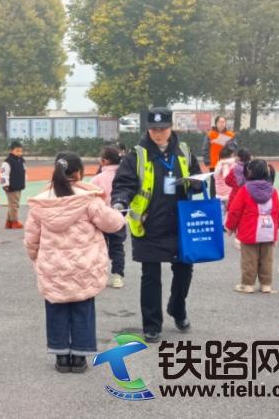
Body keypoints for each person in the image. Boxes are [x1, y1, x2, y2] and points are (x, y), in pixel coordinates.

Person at [24, 152, 125, 373]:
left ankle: (61, 355)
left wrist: (36, 258)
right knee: (82, 307)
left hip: (53, 266)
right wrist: (117, 211)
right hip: (83, 266)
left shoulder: (42, 201)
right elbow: (113, 224)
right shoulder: (88, 200)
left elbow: (32, 238)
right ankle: (79, 356)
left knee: (56, 307)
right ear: (79, 172)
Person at [112, 107, 202, 343]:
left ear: (171, 128)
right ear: (148, 129)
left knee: (184, 271)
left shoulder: (184, 151)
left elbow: (197, 175)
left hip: (179, 224)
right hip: (149, 224)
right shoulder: (137, 155)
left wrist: (197, 183)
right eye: (154, 129)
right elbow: (123, 183)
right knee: (150, 276)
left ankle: (177, 307)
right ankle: (152, 325)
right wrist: (120, 200)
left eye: (163, 129)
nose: (158, 133)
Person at [225, 159, 279, 294]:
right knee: (267, 259)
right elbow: (277, 211)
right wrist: (276, 229)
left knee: (249, 259)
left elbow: (235, 210)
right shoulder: (273, 191)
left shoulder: (245, 189)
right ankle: (266, 284)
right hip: (268, 229)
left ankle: (248, 284)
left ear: (249, 172)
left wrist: (230, 227)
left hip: (249, 230)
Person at [91, 145, 127, 289]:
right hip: (119, 218)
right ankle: (118, 276)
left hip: (101, 219)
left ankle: (101, 276)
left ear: (104, 161)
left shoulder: (97, 179)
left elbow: (90, 199)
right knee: (117, 248)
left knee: (101, 248)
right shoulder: (124, 176)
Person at [203, 116, 236, 197]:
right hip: (214, 163)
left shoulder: (230, 135)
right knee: (214, 182)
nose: (222, 124)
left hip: (226, 162)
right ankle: (213, 199)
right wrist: (207, 160)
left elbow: (234, 147)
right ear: (216, 123)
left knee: (227, 180)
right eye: (220, 122)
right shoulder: (210, 134)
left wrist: (227, 144)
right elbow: (205, 148)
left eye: (223, 122)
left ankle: (228, 197)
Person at [0, 141, 26, 229]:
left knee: (13, 204)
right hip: (11, 187)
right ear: (11, 151)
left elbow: (24, 172)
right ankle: (14, 222)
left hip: (18, 185)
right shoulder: (7, 162)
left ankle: (8, 222)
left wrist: (24, 182)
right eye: (17, 151)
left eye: (21, 151)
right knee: (14, 205)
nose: (19, 153)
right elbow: (4, 174)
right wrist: (5, 185)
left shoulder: (22, 161)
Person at [214, 147, 236, 222]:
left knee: (221, 214)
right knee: (229, 213)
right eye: (232, 155)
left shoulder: (218, 164)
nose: (234, 157)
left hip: (219, 194)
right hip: (227, 194)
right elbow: (226, 176)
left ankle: (222, 225)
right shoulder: (225, 165)